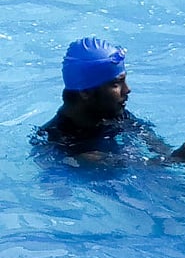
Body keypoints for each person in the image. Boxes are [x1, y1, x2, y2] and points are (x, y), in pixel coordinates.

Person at [30, 37, 171, 164]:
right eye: (117, 83)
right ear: (85, 92)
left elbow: (156, 146)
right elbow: (123, 169)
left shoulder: (114, 113)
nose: (127, 89)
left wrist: (176, 155)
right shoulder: (55, 142)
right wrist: (174, 159)